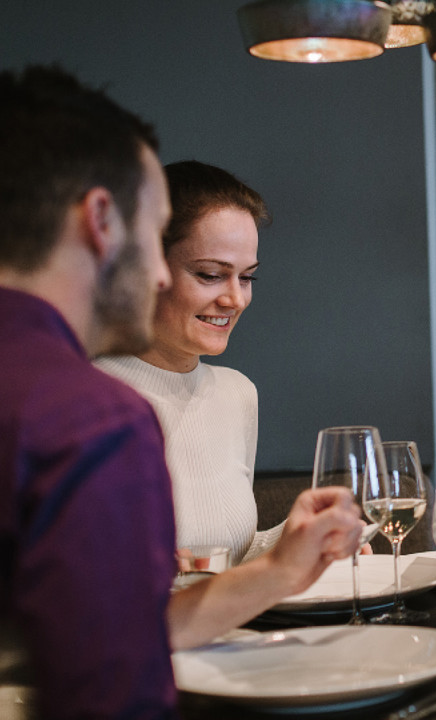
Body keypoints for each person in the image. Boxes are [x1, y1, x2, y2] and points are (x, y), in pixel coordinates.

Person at [0, 65, 364, 719]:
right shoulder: (90, 415)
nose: (158, 276)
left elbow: (118, 624)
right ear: (101, 220)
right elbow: (111, 686)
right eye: (153, 228)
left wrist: (282, 562)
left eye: (247, 277)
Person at [96, 160, 276, 565]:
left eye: (247, 277)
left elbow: (225, 559)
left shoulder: (237, 393)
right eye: (210, 274)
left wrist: (298, 542)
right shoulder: (86, 401)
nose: (235, 299)